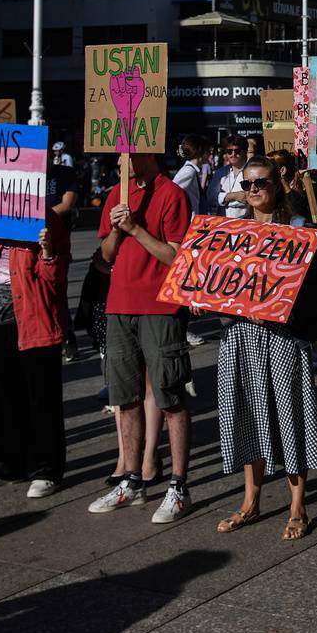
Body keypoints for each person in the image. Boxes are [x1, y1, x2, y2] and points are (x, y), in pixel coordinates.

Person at [210, 159, 317, 541]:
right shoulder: (231, 230)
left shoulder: (296, 229)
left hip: (282, 336)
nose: (254, 189)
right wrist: (203, 298)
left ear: (277, 183)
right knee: (245, 411)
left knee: (289, 412)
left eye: (261, 182)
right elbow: (216, 282)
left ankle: (298, 506)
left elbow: (309, 287)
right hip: (239, 337)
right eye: (247, 183)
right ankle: (251, 501)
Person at [89, 153, 194, 523]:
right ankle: (131, 479)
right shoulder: (116, 192)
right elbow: (105, 256)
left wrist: (136, 229)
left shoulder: (172, 194)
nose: (124, 158)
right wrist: (118, 229)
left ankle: (179, 486)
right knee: (125, 398)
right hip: (119, 306)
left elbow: (177, 257)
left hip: (160, 308)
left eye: (130, 151)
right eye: (119, 152)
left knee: (169, 396)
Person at [0, 208, 71, 498]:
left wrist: (47, 250)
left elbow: (55, 275)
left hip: (34, 321)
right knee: (2, 396)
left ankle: (46, 470)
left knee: (41, 400)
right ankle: (4, 465)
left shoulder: (48, 220)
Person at [172, 134, 214, 217]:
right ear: (201, 152)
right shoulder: (189, 171)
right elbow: (172, 192)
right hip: (189, 223)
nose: (210, 155)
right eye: (208, 152)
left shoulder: (192, 170)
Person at [212, 139, 250, 218]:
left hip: (244, 220)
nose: (233, 154)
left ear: (244, 151)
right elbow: (211, 198)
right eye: (229, 151)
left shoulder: (251, 171)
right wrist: (233, 196)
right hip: (222, 220)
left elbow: (247, 198)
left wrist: (223, 198)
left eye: (237, 151)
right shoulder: (220, 172)